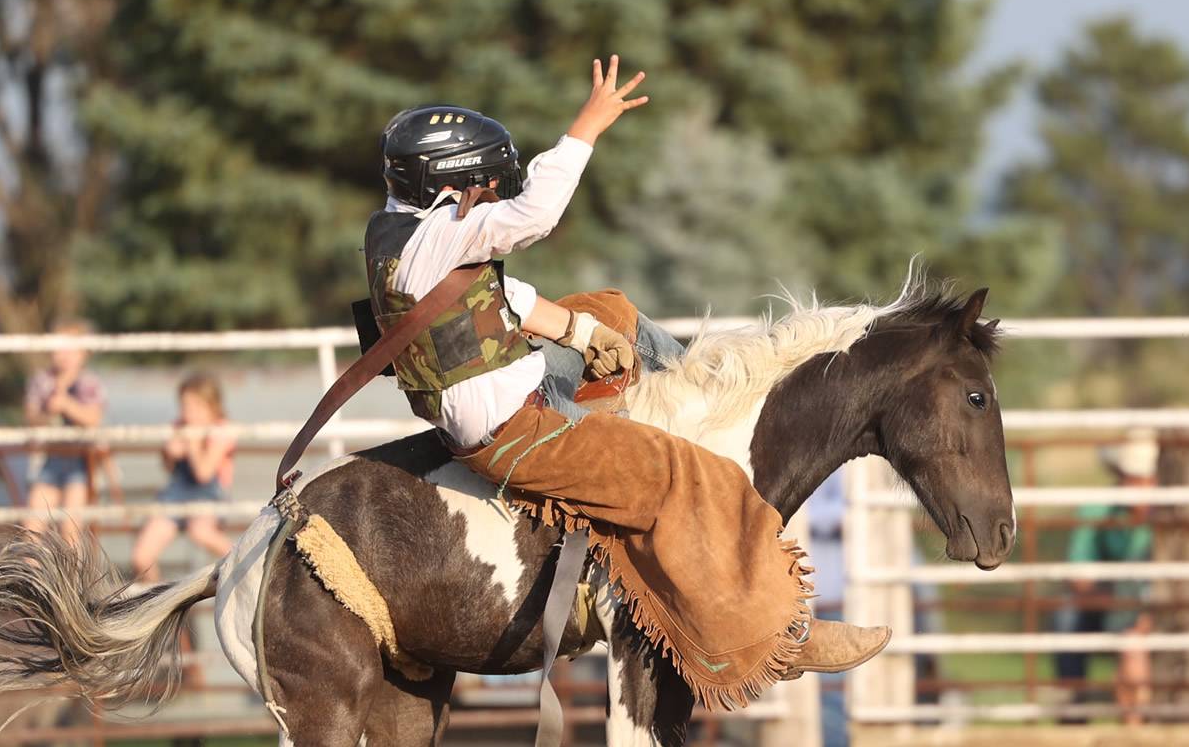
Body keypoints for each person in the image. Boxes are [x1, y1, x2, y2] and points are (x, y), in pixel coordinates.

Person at [361, 56, 889, 710]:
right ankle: (780, 634)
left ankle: (688, 382)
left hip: (510, 384)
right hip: (513, 426)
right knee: (686, 473)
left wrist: (582, 333)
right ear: (453, 184)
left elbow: (502, 293)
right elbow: (537, 215)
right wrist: (588, 124)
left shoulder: (407, 234)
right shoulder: (440, 233)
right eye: (489, 182)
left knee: (609, 308)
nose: (496, 191)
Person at [1051, 429, 1157, 724]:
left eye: (1142, 476)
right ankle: (1075, 712)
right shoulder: (1098, 509)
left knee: (1135, 638)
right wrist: (1118, 605)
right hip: (1109, 602)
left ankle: (1138, 722)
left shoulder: (1170, 511)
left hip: (1156, 607)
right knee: (1066, 617)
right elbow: (1077, 573)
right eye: (1130, 475)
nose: (1135, 484)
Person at [129, 373, 237, 581]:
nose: (189, 414)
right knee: (141, 557)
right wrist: (168, 453)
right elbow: (170, 468)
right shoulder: (178, 425)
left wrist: (193, 443)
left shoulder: (222, 429)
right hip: (176, 494)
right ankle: (158, 607)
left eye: (196, 406)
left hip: (209, 495)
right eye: (185, 407)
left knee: (200, 531)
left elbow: (204, 474)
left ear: (212, 406)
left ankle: (243, 562)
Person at [20, 320, 107, 544]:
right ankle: (33, 574)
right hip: (48, 460)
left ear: (83, 354)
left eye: (72, 348)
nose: (65, 354)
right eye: (60, 347)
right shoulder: (42, 381)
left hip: (78, 461)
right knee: (32, 528)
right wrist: (47, 413)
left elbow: (94, 418)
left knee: (70, 528)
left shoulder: (88, 383)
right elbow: (31, 417)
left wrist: (67, 405)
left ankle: (74, 578)